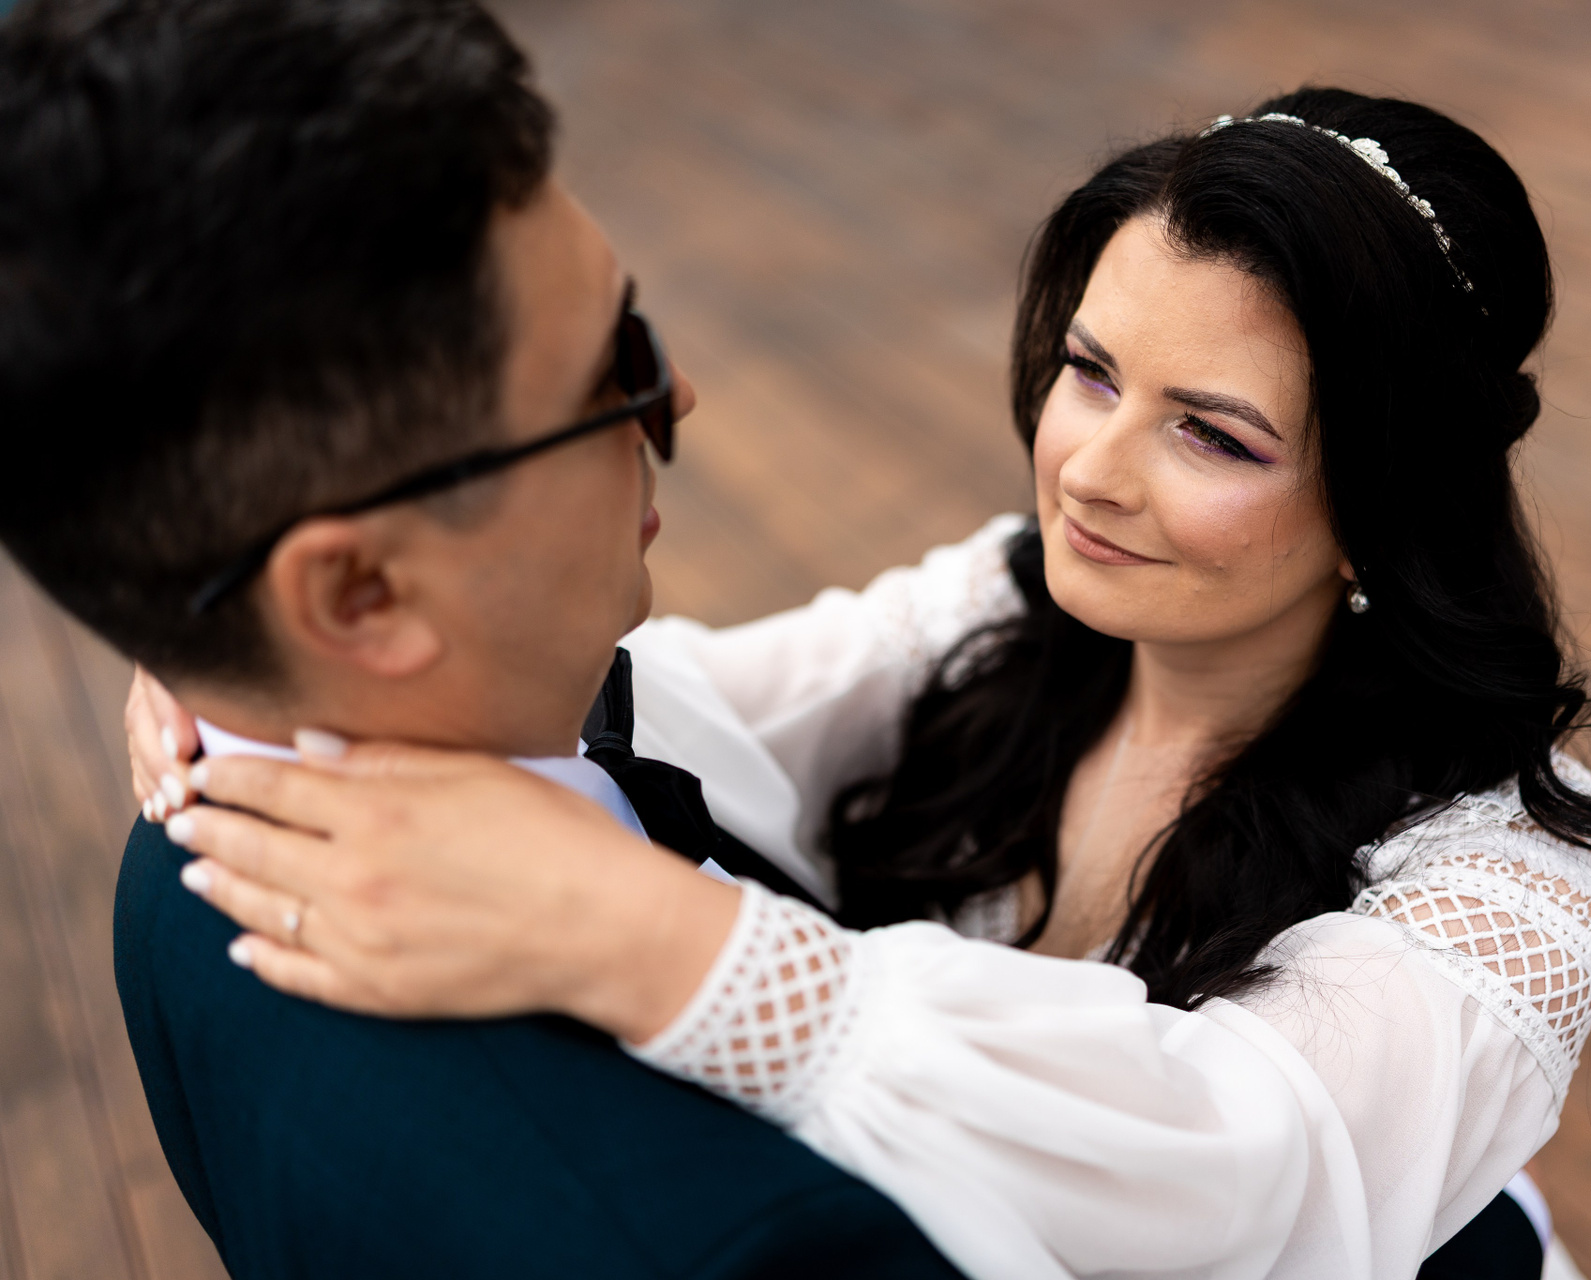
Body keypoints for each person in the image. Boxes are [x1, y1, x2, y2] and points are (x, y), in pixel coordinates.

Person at [128, 77, 1591, 1280]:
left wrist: (680, 954)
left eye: (1211, 433)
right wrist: (297, 650)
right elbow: (693, 698)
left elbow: (1246, 1160)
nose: (1089, 470)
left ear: (1382, 502)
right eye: (1092, 370)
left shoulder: (1525, 870)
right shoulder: (1008, 601)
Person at [0, 2, 966, 1277]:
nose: (676, 394)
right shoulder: (736, 1245)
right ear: (360, 596)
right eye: (615, 366)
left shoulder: (181, 851)